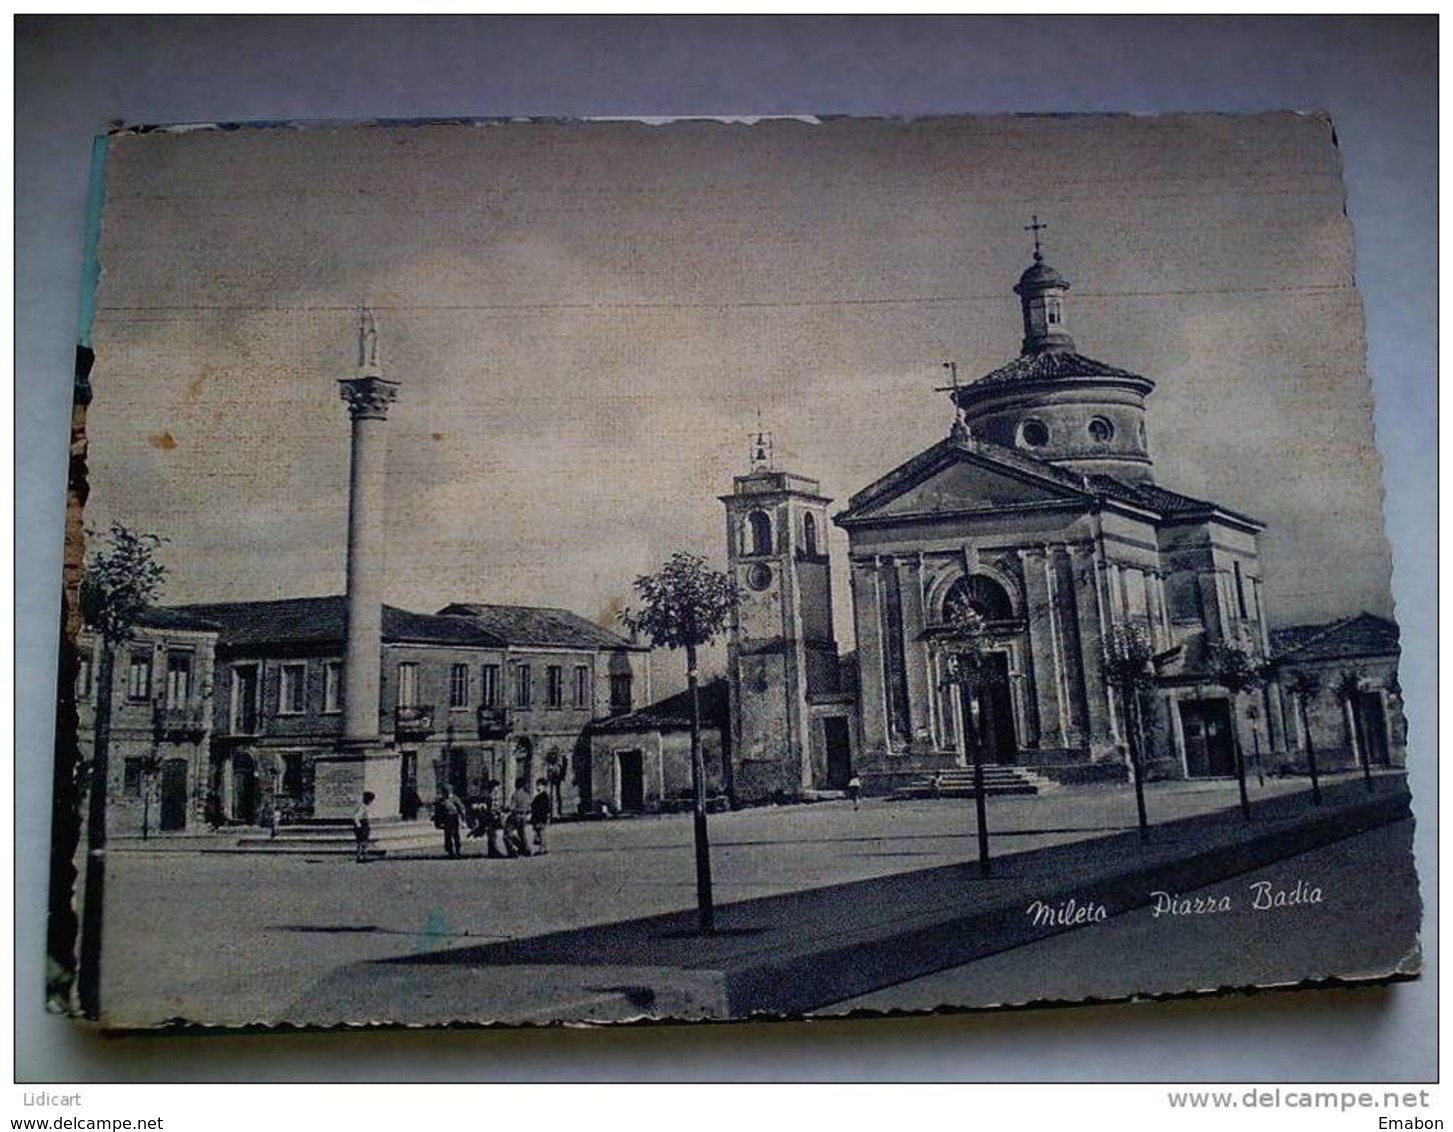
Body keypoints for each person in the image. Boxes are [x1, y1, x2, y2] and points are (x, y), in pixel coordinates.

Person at [433, 784, 468, 859]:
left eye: (447, 791)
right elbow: (438, 811)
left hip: (453, 818)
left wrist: (463, 820)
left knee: (455, 835)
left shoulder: (455, 799)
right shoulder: (441, 800)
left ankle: (457, 851)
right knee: (447, 835)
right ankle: (450, 851)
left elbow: (462, 809)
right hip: (446, 819)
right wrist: (438, 821)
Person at [505, 776, 533, 858]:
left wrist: (505, 808)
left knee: (507, 834)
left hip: (515, 816)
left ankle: (512, 851)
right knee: (522, 834)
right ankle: (526, 850)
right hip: (523, 816)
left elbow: (511, 807)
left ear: (516, 785)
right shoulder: (527, 795)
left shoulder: (515, 795)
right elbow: (529, 807)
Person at [352, 791, 376, 863]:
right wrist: (359, 825)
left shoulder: (363, 806)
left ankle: (362, 855)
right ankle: (361, 856)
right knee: (362, 842)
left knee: (363, 841)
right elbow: (356, 817)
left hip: (364, 824)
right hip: (362, 825)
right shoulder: (362, 807)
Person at [530, 778, 552, 855]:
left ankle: (542, 849)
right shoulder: (539, 796)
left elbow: (544, 808)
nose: (537, 787)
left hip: (540, 817)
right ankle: (543, 848)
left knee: (541, 833)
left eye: (539, 785)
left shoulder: (543, 796)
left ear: (544, 786)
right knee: (540, 833)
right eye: (537, 785)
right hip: (538, 817)